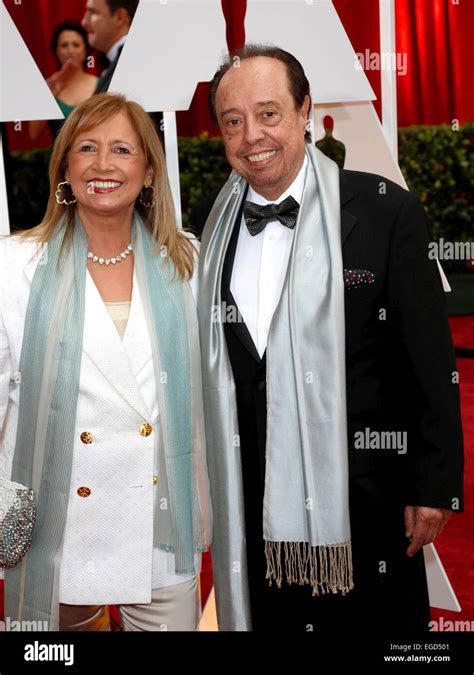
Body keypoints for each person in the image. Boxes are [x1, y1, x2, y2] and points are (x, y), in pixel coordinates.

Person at [191, 45, 464, 632]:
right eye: (232, 121)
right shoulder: (207, 230)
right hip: (253, 500)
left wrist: (434, 485)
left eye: (268, 113)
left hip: (367, 497)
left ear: (304, 110)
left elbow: (429, 360)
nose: (251, 136)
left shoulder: (382, 210)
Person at [1, 93, 212, 631]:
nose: (102, 164)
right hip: (57, 527)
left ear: (147, 172)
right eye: (86, 148)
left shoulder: (186, 262)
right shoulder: (15, 264)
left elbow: (214, 392)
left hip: (162, 527)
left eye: (122, 149)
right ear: (65, 169)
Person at [28, 21, 98, 140]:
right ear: (56, 51)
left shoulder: (102, 82)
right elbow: (33, 133)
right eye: (64, 45)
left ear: (86, 51)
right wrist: (51, 93)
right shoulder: (48, 85)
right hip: (60, 157)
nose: (70, 51)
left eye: (76, 45)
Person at [82, 0, 138, 94]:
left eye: (93, 12)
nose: (84, 22)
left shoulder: (133, 64)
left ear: (119, 17)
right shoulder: (122, 60)